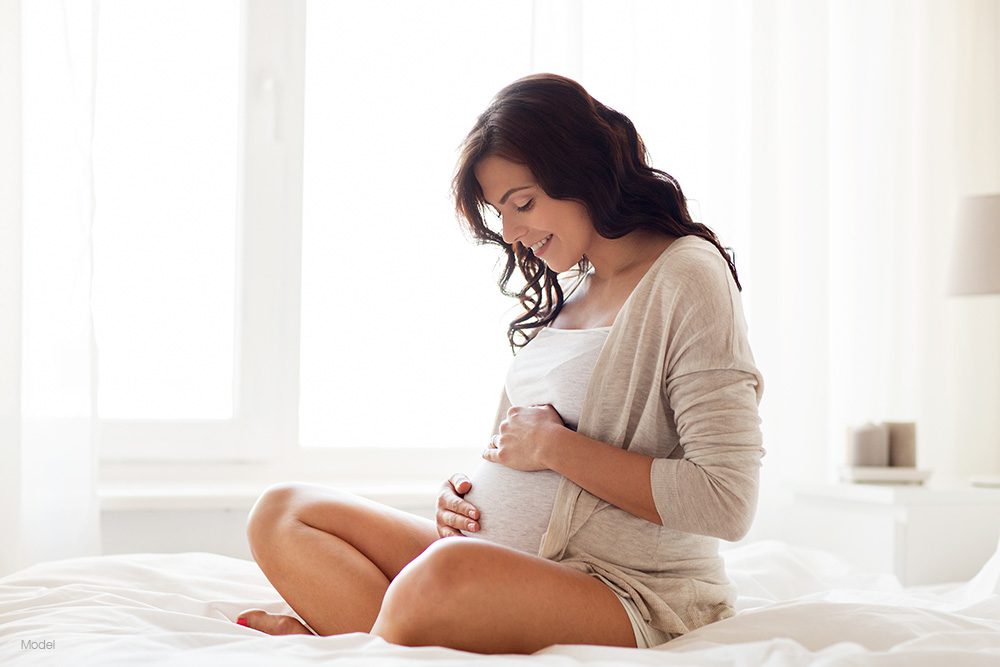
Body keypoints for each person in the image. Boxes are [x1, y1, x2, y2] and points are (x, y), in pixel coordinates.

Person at [235, 73, 765, 654]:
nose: (511, 234)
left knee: (439, 579)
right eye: (500, 212)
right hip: (498, 564)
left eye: (524, 204)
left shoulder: (687, 275)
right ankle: (374, 640)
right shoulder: (574, 289)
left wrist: (555, 449)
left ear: (584, 170)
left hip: (627, 589)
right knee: (283, 511)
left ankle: (344, 646)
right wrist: (462, 501)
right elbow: (511, 449)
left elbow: (727, 500)